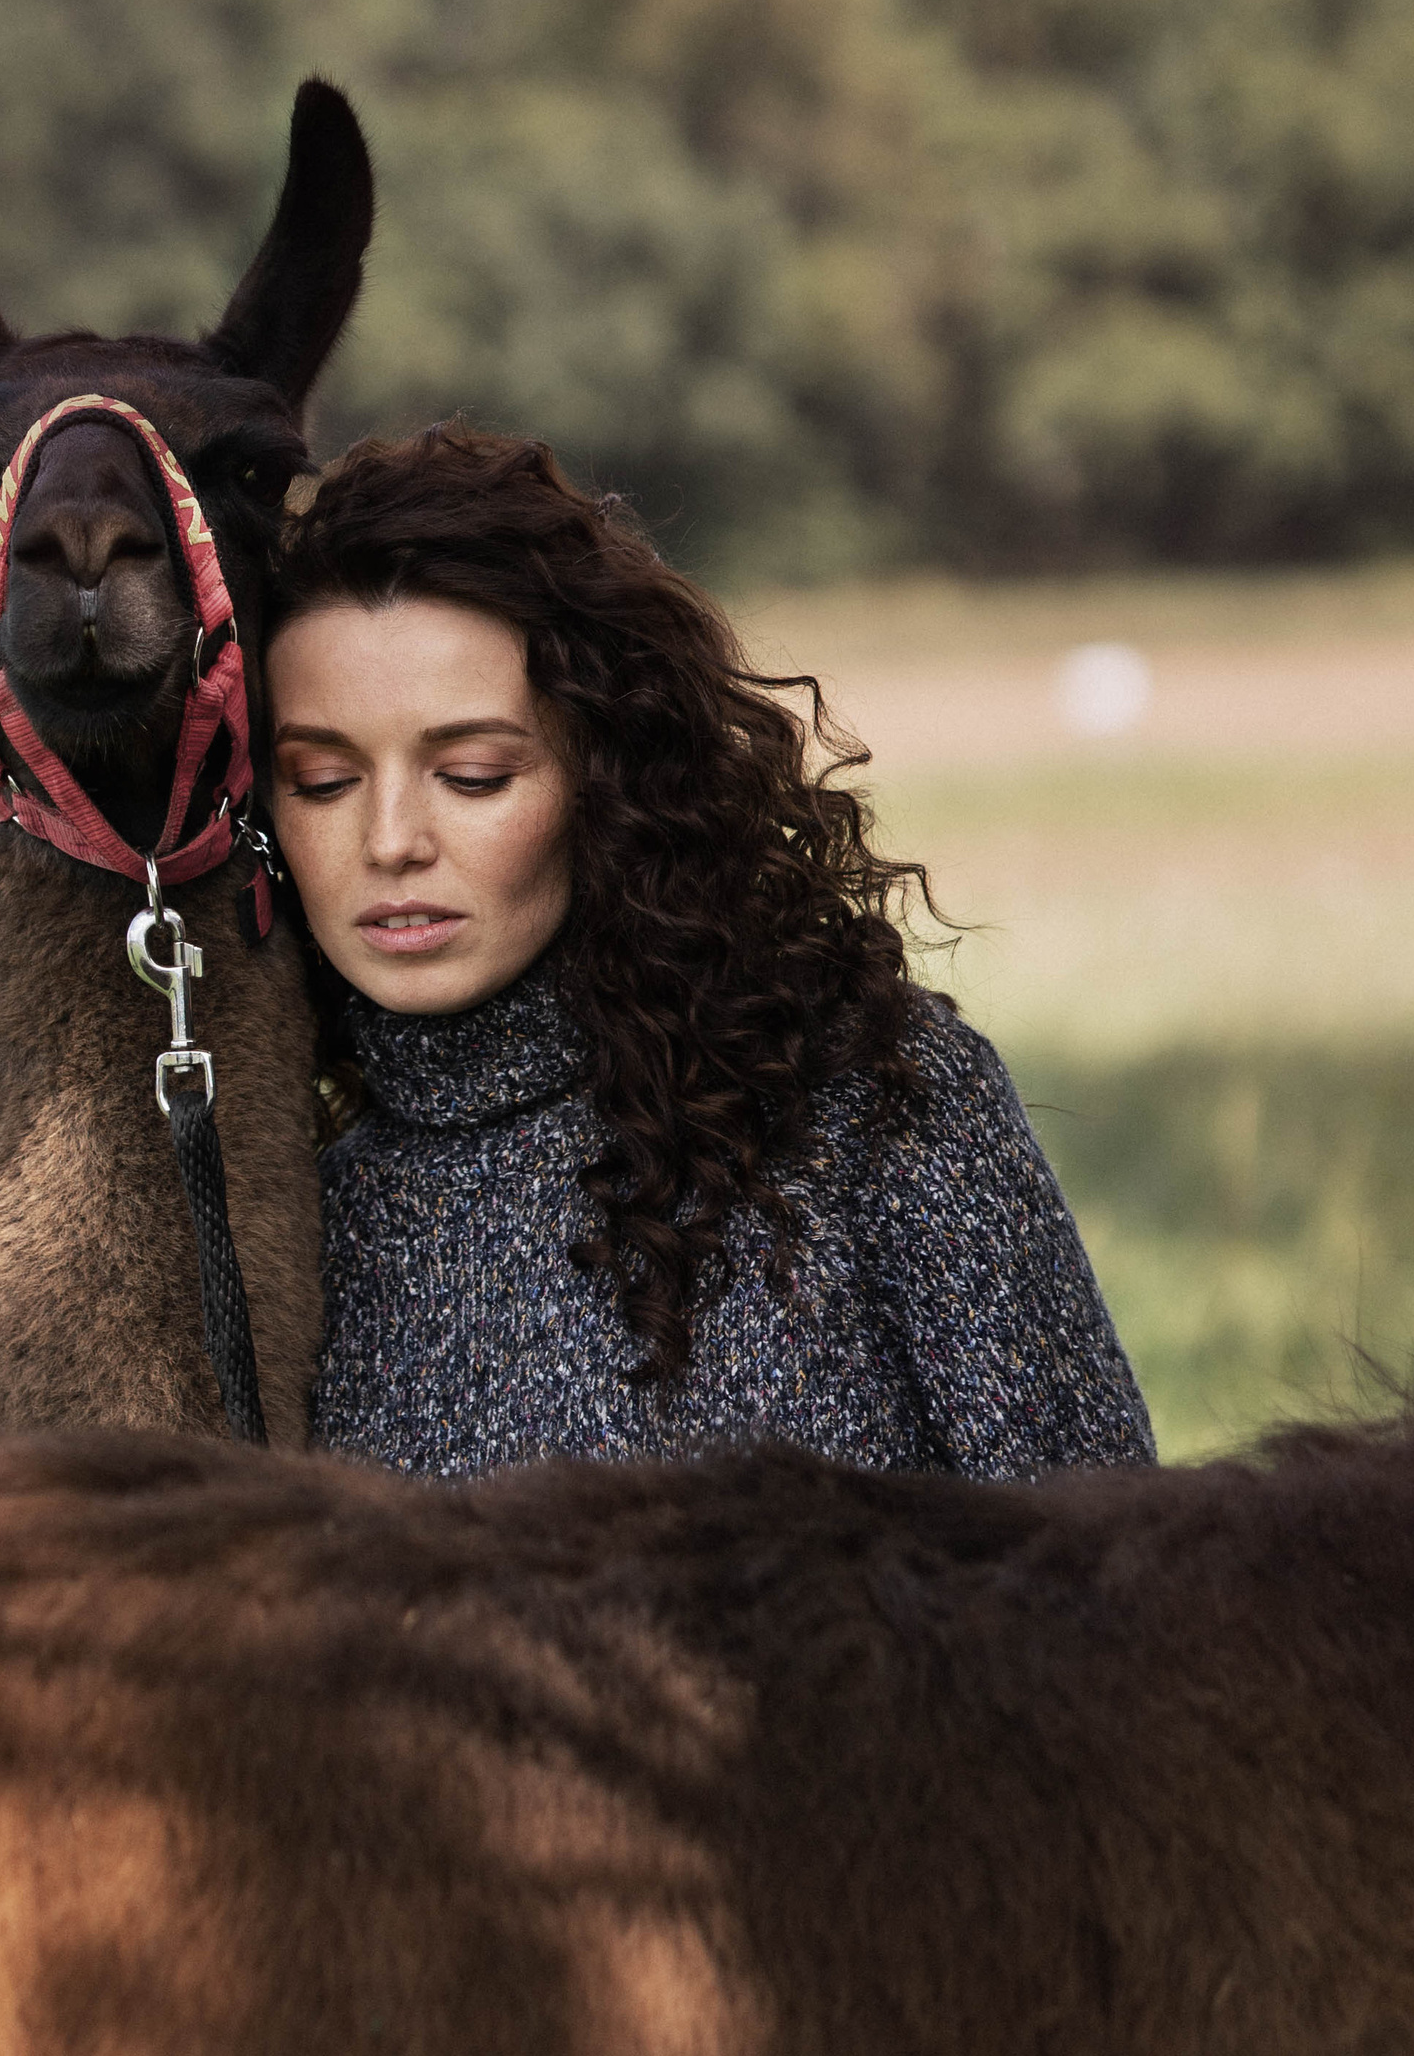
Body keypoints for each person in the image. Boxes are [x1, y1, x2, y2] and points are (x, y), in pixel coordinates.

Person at [263, 424, 1155, 1479]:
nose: (390, 841)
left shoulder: (868, 1113)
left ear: (607, 780)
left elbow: (1108, 1573)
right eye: (323, 781)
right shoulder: (279, 1228)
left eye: (473, 775)